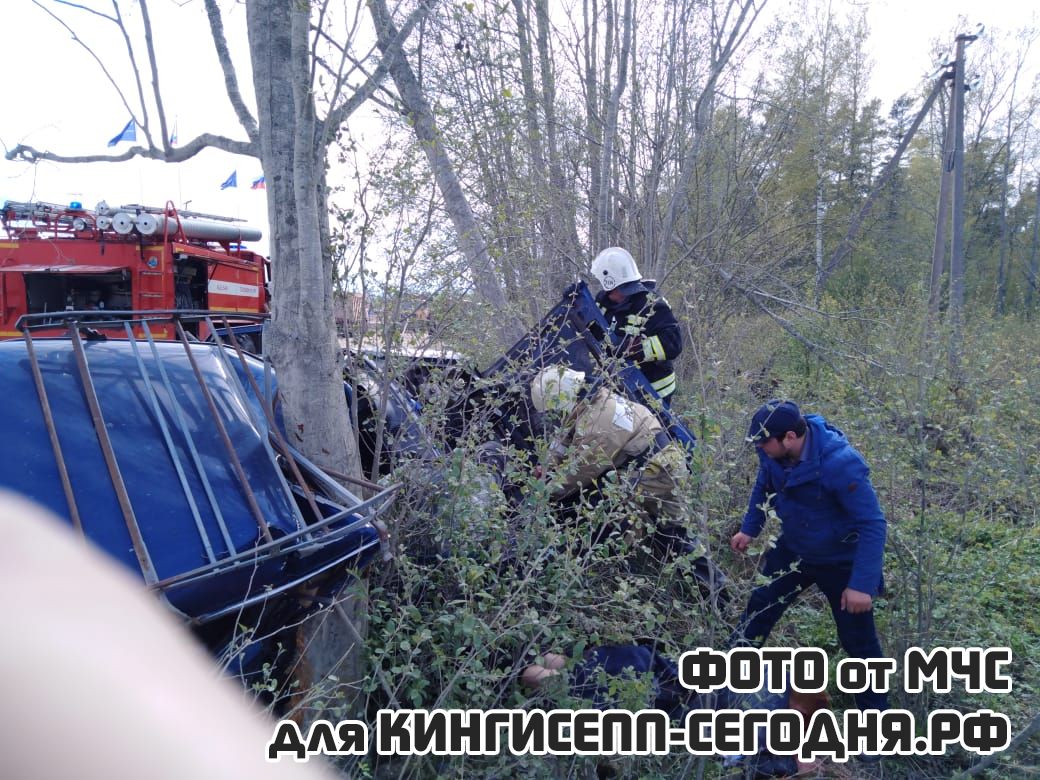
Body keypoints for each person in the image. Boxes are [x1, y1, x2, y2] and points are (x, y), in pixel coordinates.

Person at [730, 400, 888, 715]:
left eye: (764, 442)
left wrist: (861, 585)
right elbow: (764, 483)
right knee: (758, 612)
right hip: (794, 549)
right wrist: (750, 528)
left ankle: (876, 723)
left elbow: (873, 524)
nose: (759, 448)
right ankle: (722, 691)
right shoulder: (772, 451)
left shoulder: (841, 463)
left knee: (859, 644)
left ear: (790, 437)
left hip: (841, 560)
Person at [529, 366, 729, 606]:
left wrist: (543, 492)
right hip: (652, 468)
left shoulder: (599, 422)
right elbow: (564, 439)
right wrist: (547, 466)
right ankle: (713, 596)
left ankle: (716, 598)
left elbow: (578, 474)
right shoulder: (593, 399)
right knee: (669, 536)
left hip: (655, 473)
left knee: (603, 518)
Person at [590, 247, 682, 408]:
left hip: (653, 391)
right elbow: (592, 326)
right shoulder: (604, 300)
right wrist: (575, 302)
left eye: (609, 289)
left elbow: (674, 344)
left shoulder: (653, 305)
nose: (606, 291)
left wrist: (636, 349)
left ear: (618, 286)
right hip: (620, 386)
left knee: (649, 424)